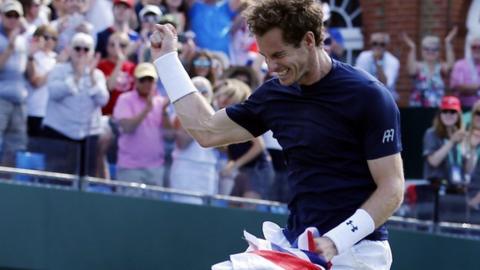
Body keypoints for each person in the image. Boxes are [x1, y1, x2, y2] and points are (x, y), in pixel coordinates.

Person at [151, 0, 404, 268]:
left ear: (308, 40)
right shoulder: (275, 94)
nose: (271, 66)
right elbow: (207, 131)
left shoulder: (369, 96)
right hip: (297, 246)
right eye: (265, 57)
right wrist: (167, 61)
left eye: (279, 55)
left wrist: (335, 241)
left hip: (356, 254)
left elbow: (392, 189)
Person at [42, 32, 109, 176]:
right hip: (60, 133)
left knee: (86, 181)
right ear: (70, 50)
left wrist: (90, 78)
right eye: (77, 48)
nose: (81, 52)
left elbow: (103, 100)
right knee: (56, 181)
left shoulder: (97, 75)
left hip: (88, 135)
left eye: (86, 49)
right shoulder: (58, 70)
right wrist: (77, 77)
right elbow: (54, 93)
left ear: (92, 53)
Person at [113, 63, 170, 193]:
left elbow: (169, 135)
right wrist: (146, 110)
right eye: (142, 80)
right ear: (135, 81)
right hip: (130, 168)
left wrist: (164, 111)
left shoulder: (161, 103)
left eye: (150, 80)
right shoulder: (125, 99)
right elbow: (127, 128)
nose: (147, 83)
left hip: (156, 168)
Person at [169, 76, 219, 204]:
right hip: (185, 166)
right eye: (196, 92)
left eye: (204, 92)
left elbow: (224, 147)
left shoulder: (217, 114)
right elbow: (182, 143)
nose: (201, 96)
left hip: (208, 167)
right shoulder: (180, 114)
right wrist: (196, 114)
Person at [0, 0, 29, 163]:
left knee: (16, 148)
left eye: (16, 16)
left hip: (20, 102)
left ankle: (8, 184)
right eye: (8, 15)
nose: (12, 19)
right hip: (1, 99)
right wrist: (9, 49)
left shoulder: (22, 38)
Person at [403, 28, 457, 107]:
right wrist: (413, 48)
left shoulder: (441, 67)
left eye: (434, 49)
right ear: (422, 51)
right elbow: (411, 71)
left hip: (437, 108)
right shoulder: (418, 66)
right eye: (426, 49)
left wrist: (448, 42)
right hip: (417, 108)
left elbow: (451, 67)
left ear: (439, 51)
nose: (430, 52)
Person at [355, 32, 400, 100]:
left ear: (387, 46)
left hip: (386, 99)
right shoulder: (363, 56)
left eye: (382, 44)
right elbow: (358, 79)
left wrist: (377, 62)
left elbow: (386, 84)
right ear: (370, 44)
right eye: (375, 43)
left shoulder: (393, 61)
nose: (378, 47)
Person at [450, 35, 480, 108]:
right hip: (465, 107)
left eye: (479, 47)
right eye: (474, 47)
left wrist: (470, 88)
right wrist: (477, 87)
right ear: (470, 49)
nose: (477, 49)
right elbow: (457, 87)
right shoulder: (460, 65)